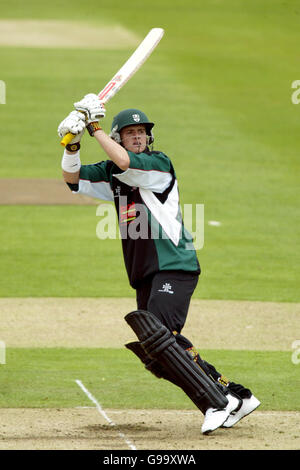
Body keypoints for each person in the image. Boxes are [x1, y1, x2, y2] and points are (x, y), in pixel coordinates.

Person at [58, 93, 260, 434]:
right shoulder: (113, 176)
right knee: (157, 354)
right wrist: (72, 143)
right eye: (130, 133)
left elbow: (124, 163)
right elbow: (72, 181)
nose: (138, 137)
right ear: (120, 136)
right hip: (145, 274)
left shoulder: (157, 165)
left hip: (174, 265)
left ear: (148, 138)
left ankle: (216, 402)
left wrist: (93, 127)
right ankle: (235, 395)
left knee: (159, 337)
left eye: (142, 132)